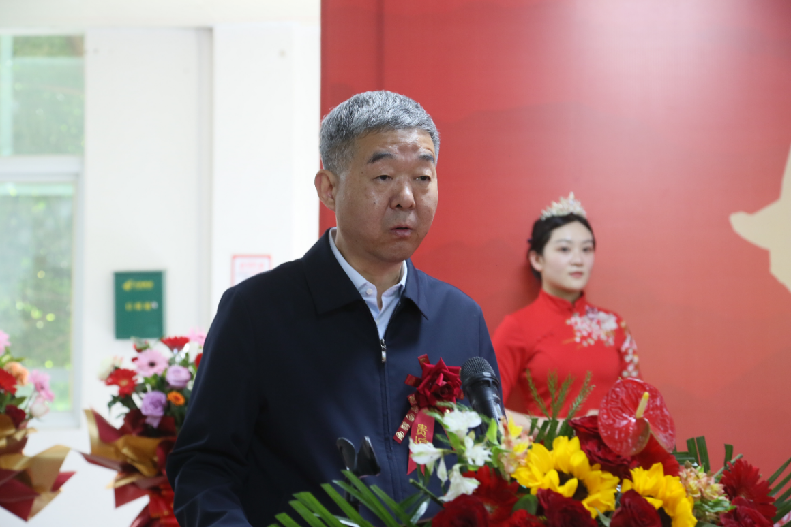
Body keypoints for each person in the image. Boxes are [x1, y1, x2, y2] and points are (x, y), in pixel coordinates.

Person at [166, 91, 500, 527]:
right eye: (383, 176)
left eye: (422, 176)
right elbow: (204, 468)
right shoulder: (256, 312)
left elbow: (488, 463)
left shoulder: (460, 317)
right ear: (328, 188)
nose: (406, 198)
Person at [492, 193, 640, 426]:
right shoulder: (517, 327)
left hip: (612, 451)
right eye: (564, 249)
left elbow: (638, 407)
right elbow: (487, 409)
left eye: (587, 249)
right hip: (546, 449)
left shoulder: (614, 325)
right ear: (537, 259)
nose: (578, 260)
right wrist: (566, 428)